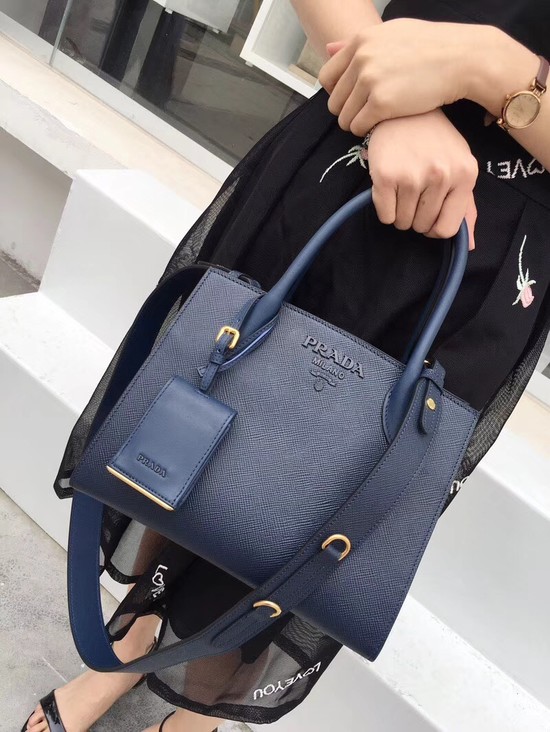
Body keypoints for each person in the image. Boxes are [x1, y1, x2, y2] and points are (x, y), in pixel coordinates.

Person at [25, 0, 550, 730]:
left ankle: (204, 699)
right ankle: (137, 634)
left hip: (490, 248)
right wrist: (389, 97)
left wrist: (492, 69)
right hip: (353, 136)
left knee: (328, 492)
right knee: (206, 420)